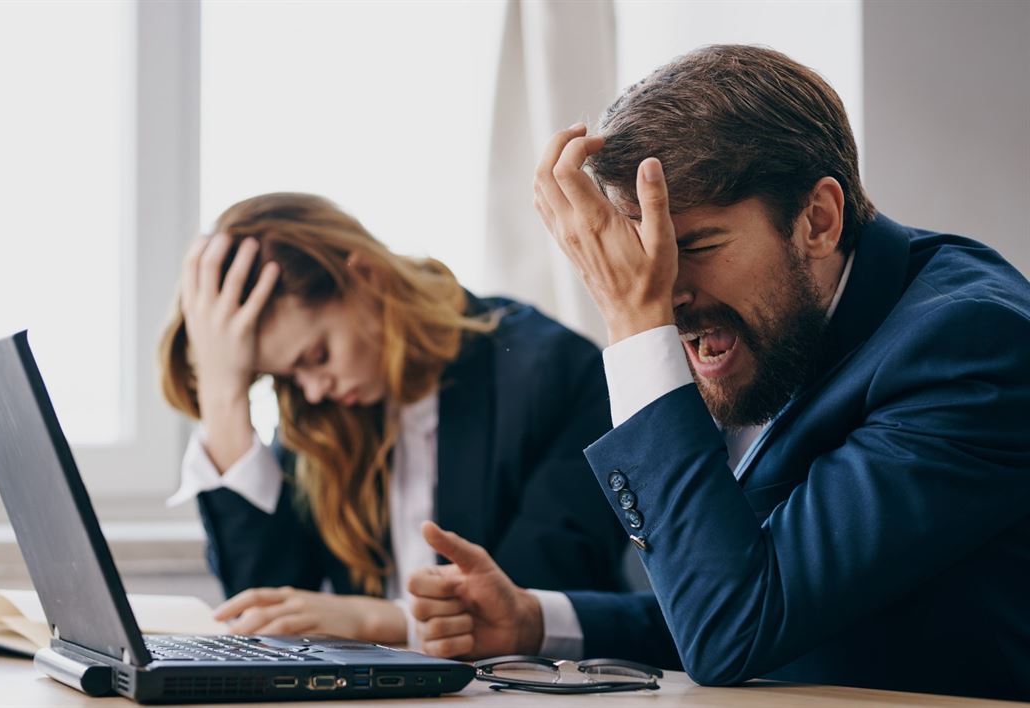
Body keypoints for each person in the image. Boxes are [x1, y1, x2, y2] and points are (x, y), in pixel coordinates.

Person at [406, 45, 1030, 701]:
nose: (661, 291)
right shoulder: (788, 321)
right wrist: (538, 624)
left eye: (694, 247)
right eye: (642, 254)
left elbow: (732, 626)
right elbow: (741, 581)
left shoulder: (970, 347)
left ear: (818, 219)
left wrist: (632, 329)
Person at [157, 192, 626, 647]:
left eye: (317, 356)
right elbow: (267, 608)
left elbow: (531, 610)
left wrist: (374, 621)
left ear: (367, 278)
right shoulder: (323, 407)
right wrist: (224, 396)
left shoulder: (556, 373)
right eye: (288, 377)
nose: (313, 389)